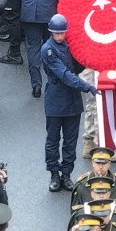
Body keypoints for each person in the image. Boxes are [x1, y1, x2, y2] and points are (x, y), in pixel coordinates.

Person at [44, 14, 99, 192]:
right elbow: (65, 75)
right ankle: (54, 173)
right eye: (57, 34)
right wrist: (87, 86)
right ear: (51, 33)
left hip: (72, 100)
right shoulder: (48, 50)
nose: (60, 36)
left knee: (70, 140)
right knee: (53, 140)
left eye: (63, 33)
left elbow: (76, 67)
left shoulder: (68, 46)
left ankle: (66, 173)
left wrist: (88, 56)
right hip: (56, 99)